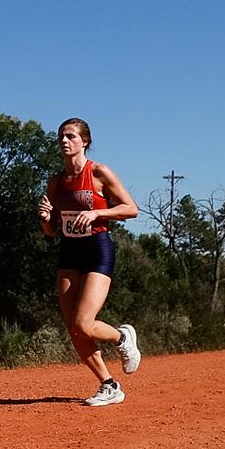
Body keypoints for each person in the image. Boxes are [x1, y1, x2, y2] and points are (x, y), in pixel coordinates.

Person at [37, 118, 142, 405]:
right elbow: (52, 231)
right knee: (72, 326)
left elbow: (131, 209)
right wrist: (46, 220)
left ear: (85, 141)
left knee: (84, 323)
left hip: (97, 248)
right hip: (69, 251)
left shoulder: (98, 172)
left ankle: (121, 338)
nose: (64, 141)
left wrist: (97, 214)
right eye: (61, 136)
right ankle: (109, 385)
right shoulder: (56, 182)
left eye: (70, 136)